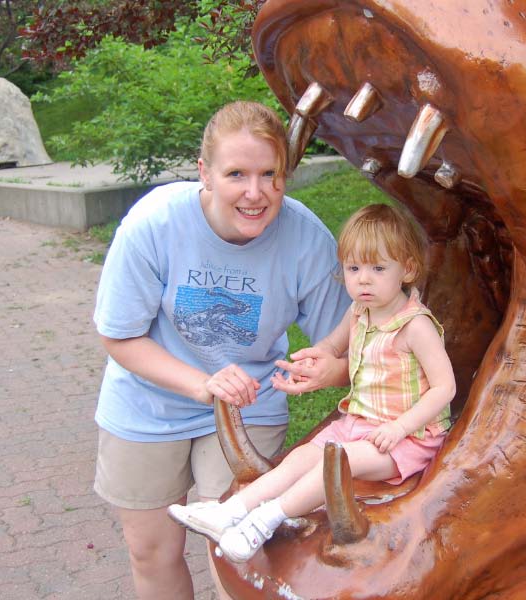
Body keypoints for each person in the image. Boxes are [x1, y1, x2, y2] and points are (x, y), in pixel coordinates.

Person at [92, 100, 351, 599]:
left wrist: (326, 369)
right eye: (236, 174)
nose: (255, 194)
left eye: (270, 174)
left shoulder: (306, 239)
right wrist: (200, 383)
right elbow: (119, 336)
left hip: (246, 404)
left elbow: (346, 346)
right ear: (204, 173)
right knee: (151, 552)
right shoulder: (154, 223)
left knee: (236, 547)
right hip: (147, 404)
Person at [168, 202, 456, 563]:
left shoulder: (416, 326)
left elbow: (445, 388)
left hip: (407, 440)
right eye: (353, 268)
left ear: (408, 269)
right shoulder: (359, 311)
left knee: (334, 466)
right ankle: (229, 512)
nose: (363, 279)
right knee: (300, 457)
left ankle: (261, 523)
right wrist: (314, 357)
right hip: (358, 424)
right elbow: (334, 345)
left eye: (378, 268)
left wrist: (400, 428)